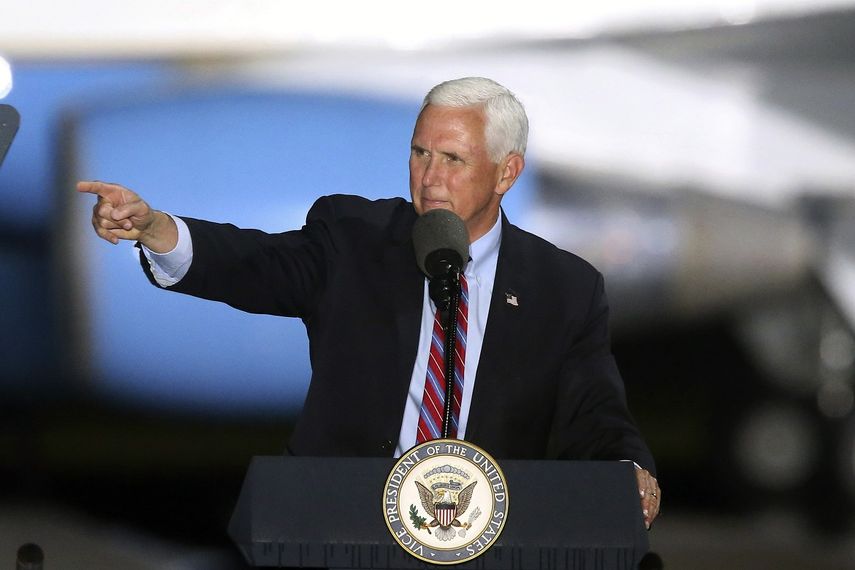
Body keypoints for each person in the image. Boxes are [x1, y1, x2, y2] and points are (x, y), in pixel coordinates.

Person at [77, 77, 661, 528]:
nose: (429, 177)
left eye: (452, 159)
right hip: (338, 526)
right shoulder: (353, 238)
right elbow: (256, 263)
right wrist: (157, 229)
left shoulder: (563, 288)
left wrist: (627, 471)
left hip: (486, 538)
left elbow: (595, 411)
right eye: (420, 153)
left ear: (506, 172)